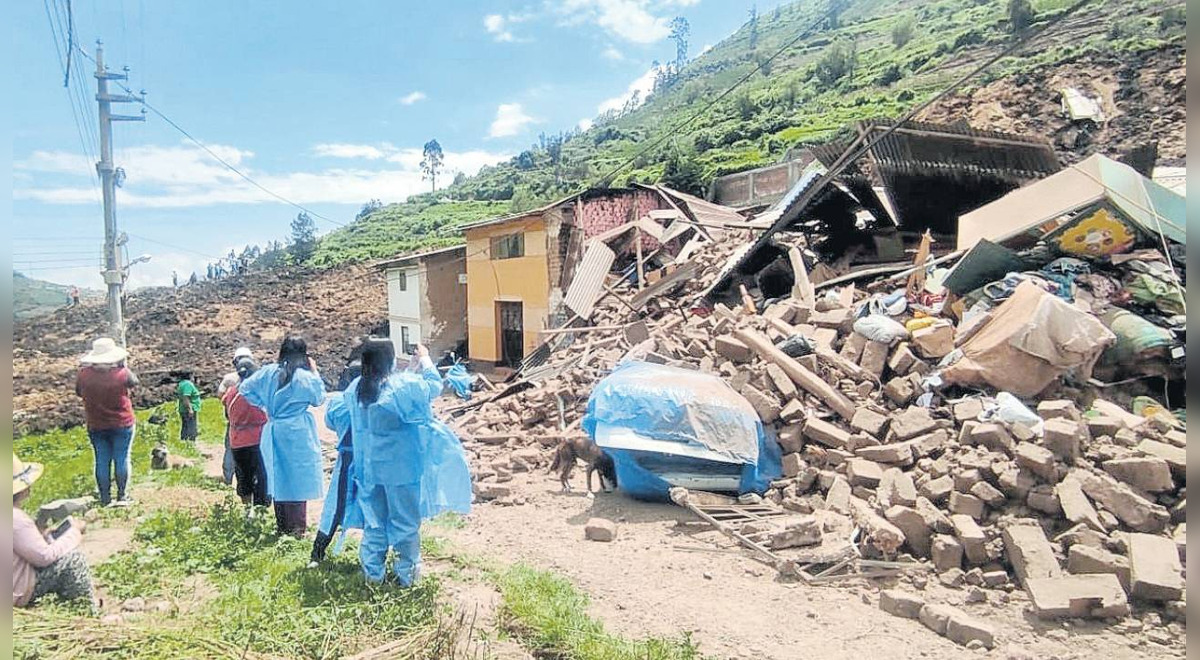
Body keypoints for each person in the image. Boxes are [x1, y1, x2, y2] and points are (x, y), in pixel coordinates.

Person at [344, 338, 471, 585]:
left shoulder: (358, 388)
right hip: (401, 467)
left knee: (374, 522)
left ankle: (373, 575)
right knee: (405, 522)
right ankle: (407, 577)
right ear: (390, 361)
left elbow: (393, 389)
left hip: (370, 466)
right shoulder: (402, 386)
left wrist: (409, 370)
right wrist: (424, 359)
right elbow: (433, 386)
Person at [239, 336, 326, 537]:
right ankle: (297, 528)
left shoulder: (268, 372)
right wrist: (314, 371)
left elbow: (245, 388)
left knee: (278, 476)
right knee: (298, 479)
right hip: (297, 430)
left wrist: (263, 405)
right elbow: (319, 398)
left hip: (275, 428)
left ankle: (283, 526)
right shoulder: (304, 377)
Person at [13, 453, 98, 611]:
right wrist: (74, 533)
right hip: (16, 591)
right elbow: (44, 557)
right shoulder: (15, 519)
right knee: (74, 560)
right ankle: (86, 610)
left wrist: (42, 536)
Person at [75, 337, 138, 506]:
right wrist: (123, 366)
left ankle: (105, 497)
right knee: (122, 458)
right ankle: (122, 495)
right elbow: (134, 382)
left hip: (96, 424)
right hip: (122, 422)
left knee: (101, 459)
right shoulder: (122, 374)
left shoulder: (84, 375)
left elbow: (79, 392)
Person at [222, 357, 270, 507]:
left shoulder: (231, 392)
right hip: (257, 440)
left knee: (243, 476)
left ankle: (247, 508)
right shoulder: (256, 392)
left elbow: (227, 414)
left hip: (236, 440)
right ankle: (260, 509)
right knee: (261, 476)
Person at [219, 347, 255, 485]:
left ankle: (228, 479)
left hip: (235, 422)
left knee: (230, 449)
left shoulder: (229, 379)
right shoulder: (258, 379)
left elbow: (220, 395)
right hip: (256, 424)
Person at [176, 372, 202, 443]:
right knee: (191, 428)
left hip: (183, 409)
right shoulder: (188, 384)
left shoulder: (181, 384)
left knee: (185, 427)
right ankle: (190, 443)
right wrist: (190, 409)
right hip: (189, 409)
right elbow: (185, 397)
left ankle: (184, 442)